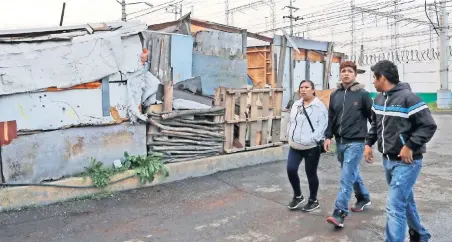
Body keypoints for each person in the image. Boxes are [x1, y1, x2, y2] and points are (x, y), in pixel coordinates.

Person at [364, 60, 437, 242]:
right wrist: (368, 144)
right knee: (406, 202)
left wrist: (409, 146)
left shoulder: (410, 99)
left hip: (407, 163)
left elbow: (428, 126)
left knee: (394, 205)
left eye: (374, 77)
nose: (373, 81)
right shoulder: (379, 99)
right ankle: (420, 235)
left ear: (382, 78)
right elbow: (375, 124)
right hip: (388, 160)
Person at [324, 61, 373, 228]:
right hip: (340, 142)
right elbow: (331, 117)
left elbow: (373, 118)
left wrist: (369, 142)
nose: (346, 74)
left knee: (346, 177)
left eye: (349, 71)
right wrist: (328, 136)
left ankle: (340, 212)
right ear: (340, 74)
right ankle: (363, 197)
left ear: (355, 75)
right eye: (343, 71)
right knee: (351, 172)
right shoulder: (335, 94)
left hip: (356, 142)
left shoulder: (363, 94)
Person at [286, 80, 328, 212]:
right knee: (291, 170)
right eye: (301, 87)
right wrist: (289, 135)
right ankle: (298, 196)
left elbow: (323, 126)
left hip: (310, 147)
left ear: (313, 90)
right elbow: (291, 122)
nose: (303, 90)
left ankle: (313, 200)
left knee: (311, 173)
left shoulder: (319, 106)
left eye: (307, 87)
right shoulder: (296, 104)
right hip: (294, 145)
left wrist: (312, 139)